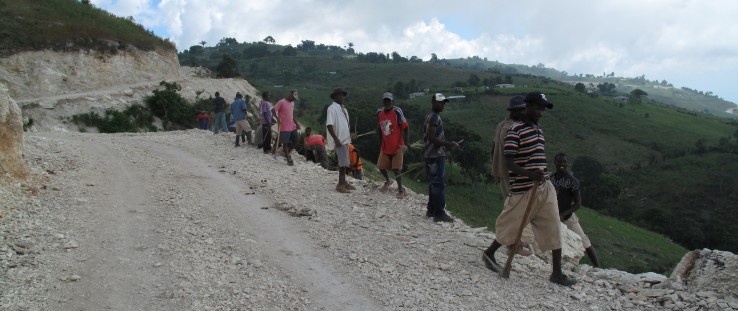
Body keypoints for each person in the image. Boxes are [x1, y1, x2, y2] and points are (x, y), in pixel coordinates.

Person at [482, 92, 577, 287]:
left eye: (543, 108)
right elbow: (509, 162)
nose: (542, 112)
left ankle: (556, 273)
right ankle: (489, 253)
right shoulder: (514, 131)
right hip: (523, 189)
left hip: (543, 187)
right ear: (528, 106)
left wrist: (540, 175)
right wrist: (528, 173)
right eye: (539, 107)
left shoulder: (538, 129)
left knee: (553, 226)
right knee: (512, 226)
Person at [492, 95, 533, 256]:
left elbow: (493, 149)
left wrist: (495, 169)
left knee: (511, 207)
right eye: (522, 109)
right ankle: (512, 244)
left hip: (504, 172)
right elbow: (515, 155)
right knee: (514, 210)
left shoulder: (501, 125)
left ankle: (513, 242)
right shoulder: (512, 129)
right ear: (516, 111)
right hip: (512, 174)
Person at [551, 152, 600, 268]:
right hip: (552, 216)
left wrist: (563, 214)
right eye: (559, 161)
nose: (561, 164)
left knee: (584, 241)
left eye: (564, 162)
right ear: (555, 162)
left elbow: (578, 203)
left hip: (568, 217)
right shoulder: (551, 178)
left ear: (567, 164)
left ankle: (597, 267)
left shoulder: (572, 181)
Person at [424, 93, 460, 222]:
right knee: (438, 184)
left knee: (434, 183)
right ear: (433, 102)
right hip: (435, 155)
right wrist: (448, 144)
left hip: (430, 155)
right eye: (440, 102)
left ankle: (431, 210)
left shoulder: (430, 115)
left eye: (444, 103)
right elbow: (431, 137)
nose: (442, 105)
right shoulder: (434, 117)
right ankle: (439, 213)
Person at [376, 92, 409, 198]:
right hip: (386, 145)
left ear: (392, 101)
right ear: (383, 101)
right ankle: (388, 181)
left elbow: (406, 127)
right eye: (385, 100)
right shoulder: (379, 113)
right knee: (381, 167)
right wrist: (381, 143)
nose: (387, 102)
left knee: (396, 169)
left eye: (389, 100)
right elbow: (380, 130)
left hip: (398, 145)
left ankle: (401, 189)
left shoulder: (397, 111)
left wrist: (406, 144)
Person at [326, 88, 353, 193]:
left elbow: (345, 125)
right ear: (334, 97)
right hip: (340, 140)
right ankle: (340, 185)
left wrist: (350, 135)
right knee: (342, 163)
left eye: (342, 95)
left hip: (345, 139)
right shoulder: (332, 108)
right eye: (339, 95)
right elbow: (329, 125)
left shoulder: (343, 109)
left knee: (345, 162)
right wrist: (336, 139)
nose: (341, 97)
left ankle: (343, 182)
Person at [272, 89, 300, 165]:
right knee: (285, 143)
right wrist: (277, 119)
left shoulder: (292, 103)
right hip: (284, 126)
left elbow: (292, 114)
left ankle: (286, 152)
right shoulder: (281, 102)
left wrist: (296, 123)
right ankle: (288, 159)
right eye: (293, 97)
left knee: (296, 140)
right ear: (290, 94)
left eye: (295, 98)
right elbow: (273, 110)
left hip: (292, 125)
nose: (294, 99)